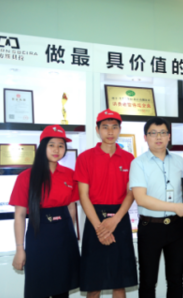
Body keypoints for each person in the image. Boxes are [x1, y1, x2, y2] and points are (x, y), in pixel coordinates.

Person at [10, 125, 80, 298]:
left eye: (61, 145)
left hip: (64, 237)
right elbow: (19, 215)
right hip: (39, 237)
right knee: (38, 289)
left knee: (62, 289)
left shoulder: (70, 175)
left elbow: (71, 208)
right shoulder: (26, 177)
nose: (57, 150)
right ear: (43, 147)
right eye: (52, 145)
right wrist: (20, 249)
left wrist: (71, 236)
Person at [74, 110, 137, 298]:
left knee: (120, 282)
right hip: (95, 219)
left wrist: (115, 220)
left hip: (120, 219)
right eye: (105, 127)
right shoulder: (85, 158)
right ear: (97, 130)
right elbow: (83, 196)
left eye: (114, 127)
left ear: (120, 130)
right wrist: (100, 228)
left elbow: (131, 192)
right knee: (94, 283)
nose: (110, 132)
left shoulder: (128, 159)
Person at [130, 117, 183, 298]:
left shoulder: (180, 161)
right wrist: (175, 207)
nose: (159, 137)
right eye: (153, 133)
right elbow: (141, 199)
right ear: (145, 137)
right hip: (151, 228)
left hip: (177, 227)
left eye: (163, 133)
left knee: (175, 280)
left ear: (169, 136)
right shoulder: (138, 163)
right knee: (148, 281)